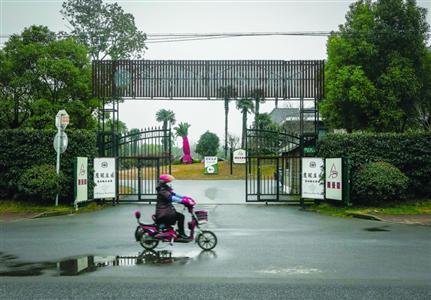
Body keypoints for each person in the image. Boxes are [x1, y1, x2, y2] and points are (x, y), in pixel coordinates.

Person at [155, 174, 188, 239]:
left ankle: (180, 233)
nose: (169, 183)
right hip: (164, 212)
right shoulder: (162, 189)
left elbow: (173, 194)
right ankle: (181, 234)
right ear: (164, 182)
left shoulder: (164, 188)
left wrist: (184, 197)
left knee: (180, 216)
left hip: (167, 210)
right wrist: (182, 201)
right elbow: (170, 197)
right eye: (167, 181)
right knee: (181, 217)